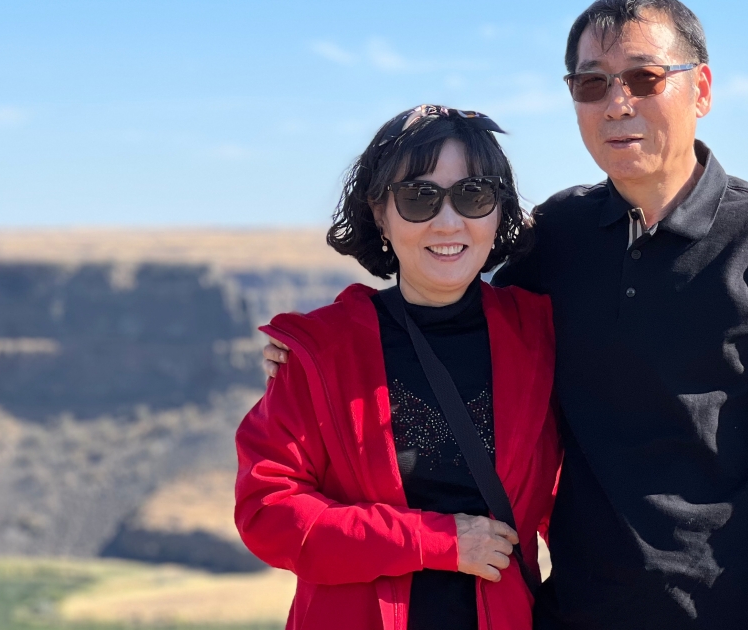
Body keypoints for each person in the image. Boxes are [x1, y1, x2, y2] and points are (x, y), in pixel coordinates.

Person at [267, 0, 748, 630]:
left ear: (700, 90)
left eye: (644, 78)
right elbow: (449, 300)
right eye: (592, 84)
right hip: (576, 614)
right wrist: (313, 351)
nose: (617, 103)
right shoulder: (559, 234)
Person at [236, 105, 561, 630]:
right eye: (419, 198)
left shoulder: (541, 337)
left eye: (474, 194)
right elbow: (267, 511)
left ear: (499, 210)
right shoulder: (324, 352)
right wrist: (436, 542)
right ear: (380, 213)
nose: (448, 222)